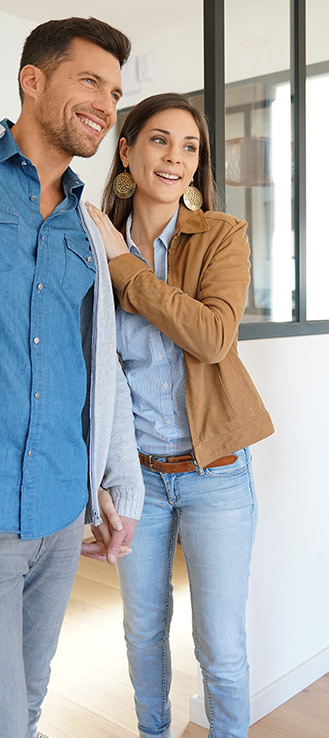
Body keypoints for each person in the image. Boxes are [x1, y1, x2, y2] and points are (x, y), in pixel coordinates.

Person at [83, 92, 274, 738]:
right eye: (160, 141)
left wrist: (126, 267)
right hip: (136, 476)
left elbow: (213, 336)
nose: (176, 158)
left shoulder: (221, 235)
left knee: (220, 646)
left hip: (215, 471)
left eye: (190, 146)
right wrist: (99, 483)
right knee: (141, 634)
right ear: (128, 151)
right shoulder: (90, 243)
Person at [0, 17, 145, 738]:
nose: (105, 104)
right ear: (33, 81)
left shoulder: (87, 228)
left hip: (60, 511)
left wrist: (115, 484)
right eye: (89, 80)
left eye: (114, 91)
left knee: (27, 703)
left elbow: (103, 369)